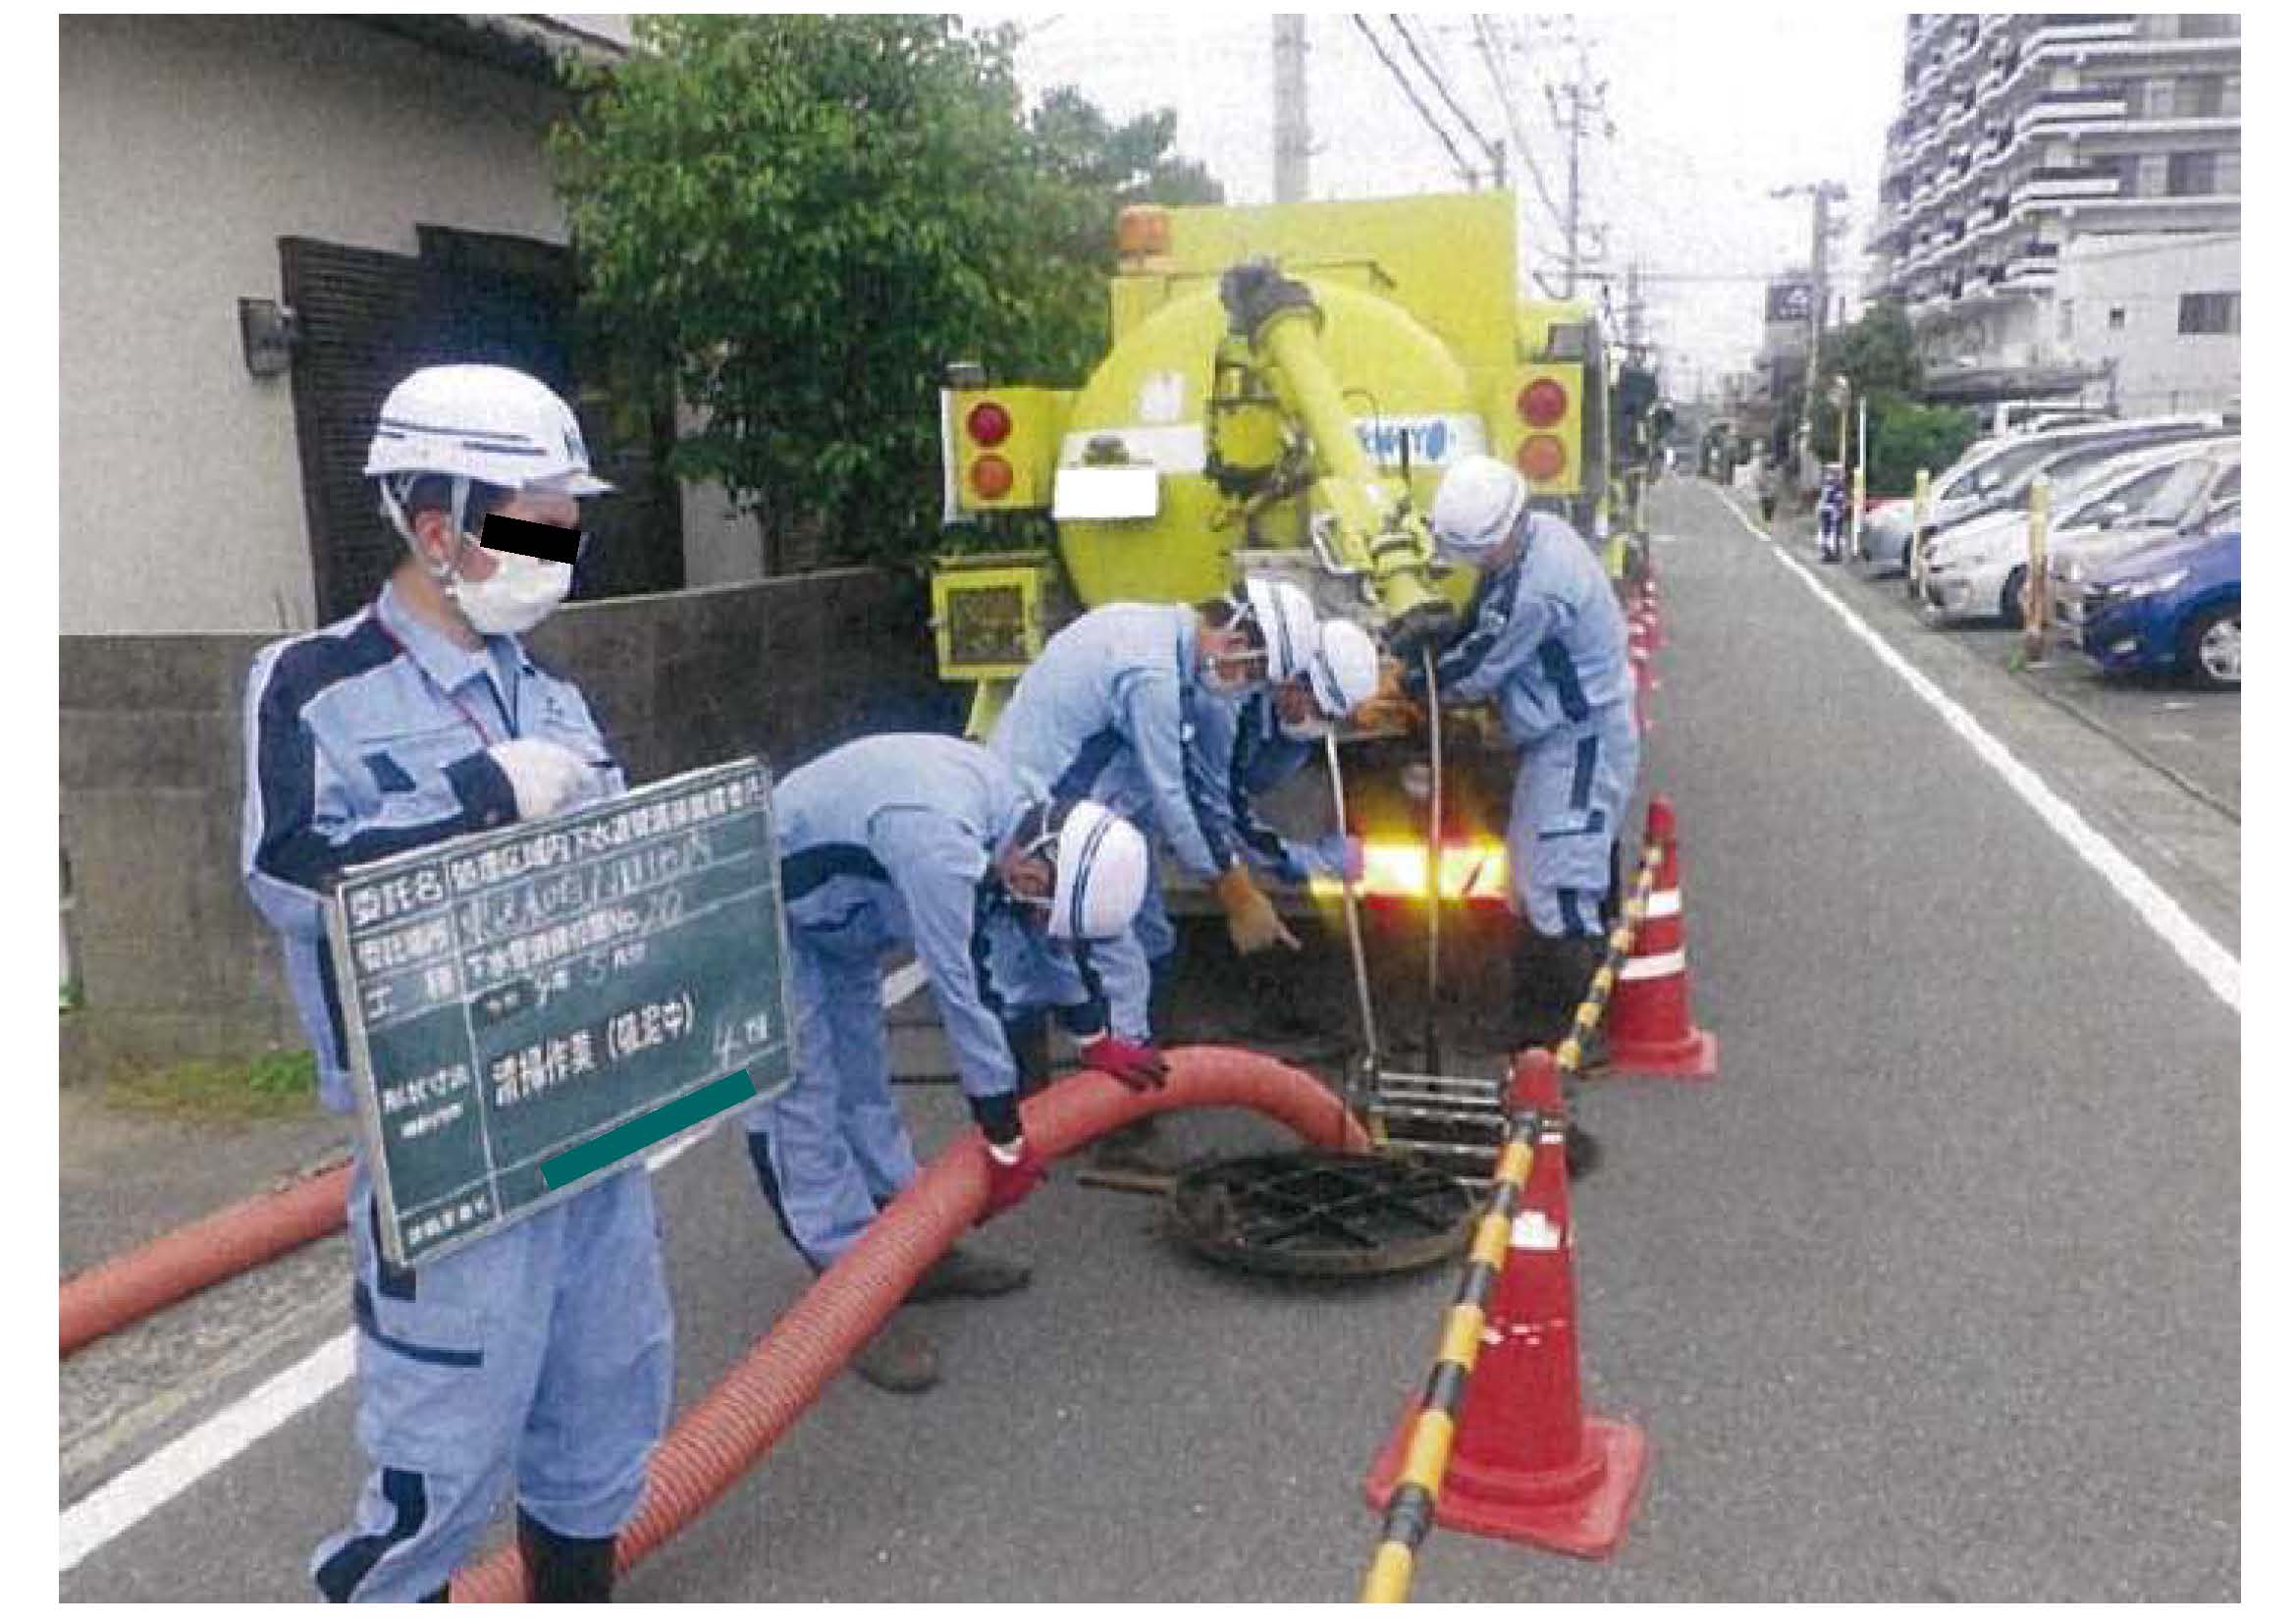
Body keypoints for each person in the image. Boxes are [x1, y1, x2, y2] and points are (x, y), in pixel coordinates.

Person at [242, 364, 662, 1601]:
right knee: (445, 1458)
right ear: (440, 528)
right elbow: (287, 867)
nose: (562, 544)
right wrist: (476, 805)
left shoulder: (552, 690)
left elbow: (626, 868)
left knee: (601, 1411)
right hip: (446, 1145)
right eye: (540, 517)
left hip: (588, 1115)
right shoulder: (312, 685)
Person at [741, 733, 1155, 1392]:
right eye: (1042, 900)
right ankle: (847, 1289)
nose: (1037, 915)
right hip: (773, 912)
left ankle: (908, 1246)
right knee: (804, 1096)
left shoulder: (1029, 820)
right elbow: (964, 995)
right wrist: (1003, 1139)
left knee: (864, 1083)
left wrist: (1093, 1035)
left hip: (848, 914)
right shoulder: (939, 847)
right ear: (1033, 870)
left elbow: (1040, 931)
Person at [1409, 455, 1641, 1080]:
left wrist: (1416, 674)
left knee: (1560, 881)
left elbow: (1479, 666)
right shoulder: (1540, 536)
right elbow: (1483, 620)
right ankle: (1531, 1026)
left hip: (1581, 738)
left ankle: (1572, 1033)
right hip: (1559, 736)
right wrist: (1445, 636)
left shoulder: (1540, 586)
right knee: (1529, 878)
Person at [1816, 463, 1849, 563]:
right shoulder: (1828, 485)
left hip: (1833, 512)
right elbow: (1823, 499)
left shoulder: (1837, 485)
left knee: (1834, 534)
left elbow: (1839, 500)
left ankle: (1834, 554)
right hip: (1826, 512)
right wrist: (1819, 508)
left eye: (1832, 472)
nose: (1829, 474)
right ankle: (1827, 553)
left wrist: (1838, 510)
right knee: (1826, 533)